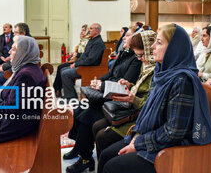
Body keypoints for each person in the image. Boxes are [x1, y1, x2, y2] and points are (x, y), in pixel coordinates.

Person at [98, 24, 211, 173]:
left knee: (111, 166)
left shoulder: (182, 80)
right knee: (105, 155)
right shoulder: (163, 72)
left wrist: (139, 143)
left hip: (170, 150)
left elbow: (174, 132)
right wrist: (137, 136)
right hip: (153, 137)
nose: (152, 46)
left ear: (174, 49)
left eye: (159, 42)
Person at [63, 26, 142, 173]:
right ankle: (79, 149)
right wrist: (97, 81)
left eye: (128, 36)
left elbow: (125, 82)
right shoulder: (124, 54)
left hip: (117, 99)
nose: (123, 38)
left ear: (137, 39)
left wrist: (102, 85)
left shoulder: (136, 60)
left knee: (87, 115)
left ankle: (85, 159)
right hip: (107, 92)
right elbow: (110, 74)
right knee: (80, 108)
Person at [0, 36, 47, 157]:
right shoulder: (26, 68)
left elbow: (12, 108)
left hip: (13, 124)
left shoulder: (26, 75)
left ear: (23, 52)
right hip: (16, 120)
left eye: (13, 49)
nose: (9, 52)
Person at [93, 30, 157, 159]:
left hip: (139, 116)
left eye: (141, 55)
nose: (140, 59)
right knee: (96, 126)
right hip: (133, 109)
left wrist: (133, 99)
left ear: (151, 49)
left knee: (102, 136)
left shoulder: (157, 71)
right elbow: (141, 88)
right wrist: (129, 85)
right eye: (138, 56)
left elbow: (151, 104)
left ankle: (106, 162)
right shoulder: (147, 66)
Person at [60, 23, 105, 100]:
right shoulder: (92, 40)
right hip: (86, 66)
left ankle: (70, 98)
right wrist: (76, 61)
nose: (89, 30)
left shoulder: (98, 43)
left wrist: (76, 64)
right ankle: (70, 94)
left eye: (91, 29)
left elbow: (91, 60)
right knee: (63, 70)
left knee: (65, 73)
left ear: (97, 31)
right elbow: (85, 55)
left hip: (90, 68)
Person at [53, 24, 91, 95]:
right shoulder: (83, 40)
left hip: (80, 62)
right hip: (77, 59)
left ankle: (57, 89)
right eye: (81, 30)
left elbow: (84, 54)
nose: (82, 32)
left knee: (61, 67)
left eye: (83, 30)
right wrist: (74, 53)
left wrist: (76, 54)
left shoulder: (88, 41)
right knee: (61, 67)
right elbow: (79, 51)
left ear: (87, 31)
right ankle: (58, 88)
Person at [0, 23, 31, 87]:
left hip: (18, 67)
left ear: (23, 33)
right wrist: (2, 57)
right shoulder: (0, 37)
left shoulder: (23, 43)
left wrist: (5, 65)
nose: (14, 34)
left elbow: (17, 58)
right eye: (3, 27)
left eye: (16, 32)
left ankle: (4, 94)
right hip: (3, 57)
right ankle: (3, 88)